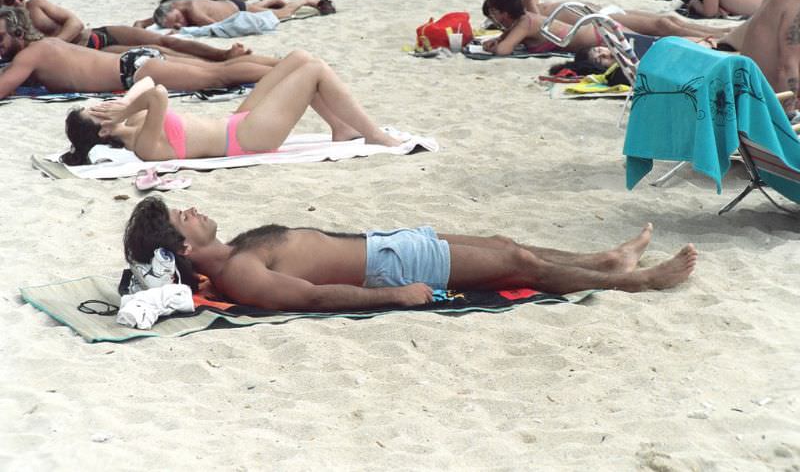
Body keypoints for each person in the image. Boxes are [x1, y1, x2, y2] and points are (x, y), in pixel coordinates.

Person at [122, 197, 698, 311]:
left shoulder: (239, 247)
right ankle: (641, 282)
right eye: (183, 217)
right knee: (521, 269)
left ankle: (604, 260)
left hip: (387, 245)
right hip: (394, 268)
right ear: (183, 246)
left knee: (506, 247)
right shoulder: (243, 273)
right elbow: (317, 296)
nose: (193, 209)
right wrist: (395, 295)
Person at [61, 50, 402, 165]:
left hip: (236, 121)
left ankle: (340, 128)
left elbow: (148, 81)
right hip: (247, 138)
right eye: (96, 110)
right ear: (103, 130)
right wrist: (124, 108)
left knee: (299, 58)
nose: (101, 105)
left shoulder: (132, 116)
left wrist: (123, 103)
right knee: (315, 71)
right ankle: (373, 135)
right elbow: (160, 94)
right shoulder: (143, 146)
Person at [0, 7, 275, 100]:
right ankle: (280, 65)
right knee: (215, 71)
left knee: (218, 76)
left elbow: (4, 87)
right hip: (133, 64)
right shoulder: (45, 47)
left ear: (18, 33)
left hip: (133, 72)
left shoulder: (29, 56)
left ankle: (283, 73)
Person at [0, 0, 251, 62]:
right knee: (152, 51)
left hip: (97, 35)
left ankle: (221, 55)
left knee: (166, 42)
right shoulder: (6, 30)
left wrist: (54, 44)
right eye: (9, 0)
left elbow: (75, 22)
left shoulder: (36, 5)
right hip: (90, 54)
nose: (18, 2)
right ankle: (216, 64)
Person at [479, 0, 723, 57]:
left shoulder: (525, 22)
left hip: (601, 34)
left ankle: (712, 41)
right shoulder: (522, 22)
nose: (492, 17)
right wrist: (496, 39)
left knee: (658, 42)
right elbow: (504, 41)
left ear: (503, 11)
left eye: (493, 11)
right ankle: (712, 40)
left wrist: (497, 44)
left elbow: (504, 50)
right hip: (599, 30)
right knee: (658, 38)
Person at [740, 0, 800, 116]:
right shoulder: (796, 5)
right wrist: (789, 115)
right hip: (770, 105)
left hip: (750, 96)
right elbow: (786, 67)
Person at [152, 0, 335, 29]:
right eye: (175, 24)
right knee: (269, 8)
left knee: (283, 13)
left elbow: (213, 25)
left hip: (236, 9)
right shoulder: (177, 8)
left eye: (177, 19)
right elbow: (162, 16)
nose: (179, 24)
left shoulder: (191, 9)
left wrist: (178, 30)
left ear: (175, 8)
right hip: (235, 6)